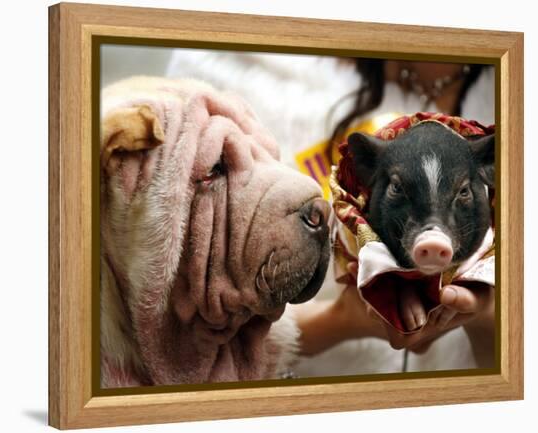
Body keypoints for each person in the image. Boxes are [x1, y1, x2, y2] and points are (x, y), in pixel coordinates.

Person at [166, 50, 495, 375]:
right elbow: (174, 312)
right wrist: (343, 320)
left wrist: (488, 312)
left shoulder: (514, 85)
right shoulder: (237, 65)